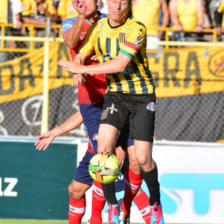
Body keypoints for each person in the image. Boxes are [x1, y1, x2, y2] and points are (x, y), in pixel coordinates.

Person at [37, 0, 151, 223]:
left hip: (116, 94)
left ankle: (114, 214)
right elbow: (71, 41)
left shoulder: (112, 24)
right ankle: (117, 212)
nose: (81, 2)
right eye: (76, 0)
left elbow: (125, 55)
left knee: (115, 161)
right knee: (77, 189)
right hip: (92, 101)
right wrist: (55, 131)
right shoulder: (71, 23)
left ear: (98, 2)